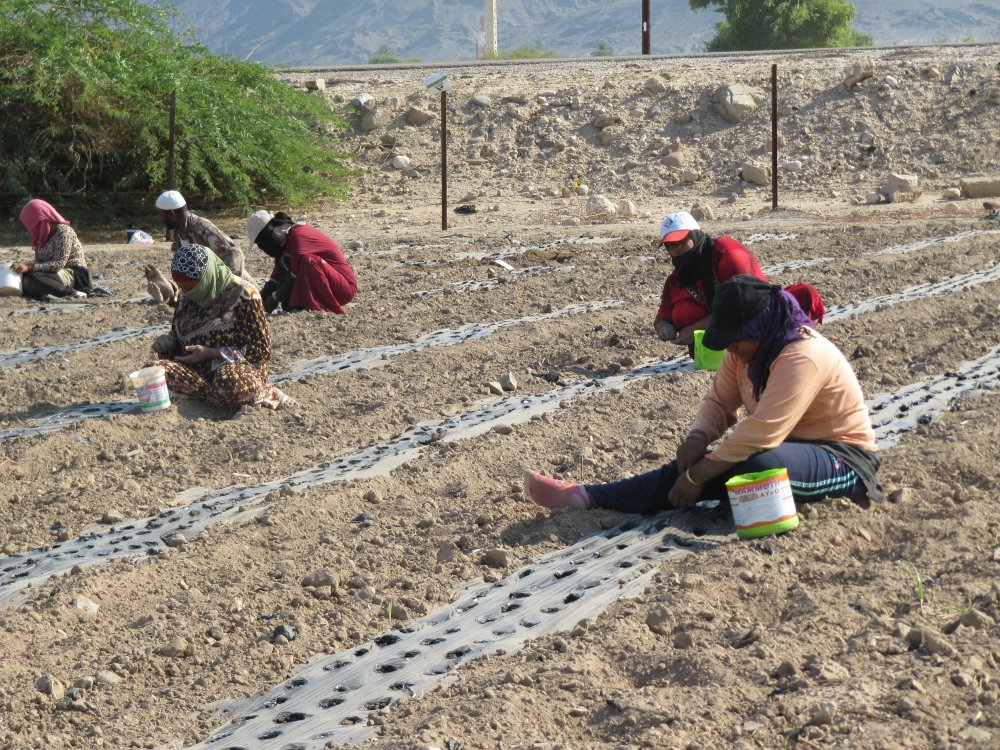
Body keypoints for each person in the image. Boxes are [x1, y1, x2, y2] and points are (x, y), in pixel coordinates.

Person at [525, 275, 882, 514]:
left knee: (757, 467)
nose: (733, 350)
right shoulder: (744, 353)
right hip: (783, 446)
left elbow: (763, 431)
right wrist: (697, 439)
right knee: (706, 464)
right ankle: (589, 496)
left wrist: (698, 478)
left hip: (843, 459)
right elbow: (720, 403)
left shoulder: (803, 356)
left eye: (737, 340)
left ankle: (727, 497)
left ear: (761, 327)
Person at [150, 244, 287, 408]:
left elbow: (261, 350)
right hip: (196, 374)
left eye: (191, 286)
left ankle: (226, 393)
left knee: (230, 385)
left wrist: (211, 353)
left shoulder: (245, 296)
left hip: (236, 370)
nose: (186, 292)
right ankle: (211, 395)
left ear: (207, 277)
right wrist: (168, 342)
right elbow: (179, 336)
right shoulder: (186, 297)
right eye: (182, 287)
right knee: (152, 373)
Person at [652, 211, 767, 352]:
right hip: (713, 350)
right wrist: (664, 326)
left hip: (754, 339)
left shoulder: (727, 254)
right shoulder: (678, 278)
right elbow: (662, 316)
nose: (678, 248)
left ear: (695, 235)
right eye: (671, 245)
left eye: (682, 241)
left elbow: (744, 306)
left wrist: (693, 330)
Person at [145, 190, 248, 305]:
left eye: (161, 215)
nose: (160, 219)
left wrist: (227, 288)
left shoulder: (202, 228)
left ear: (171, 214)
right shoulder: (178, 234)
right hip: (202, 286)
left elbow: (234, 254)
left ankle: (173, 292)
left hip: (231, 289)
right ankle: (170, 289)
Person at [246, 209, 357, 314]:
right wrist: (257, 302)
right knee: (287, 267)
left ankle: (318, 305)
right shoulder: (285, 244)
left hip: (344, 289)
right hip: (332, 283)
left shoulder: (297, 236)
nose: (263, 247)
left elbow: (292, 277)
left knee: (308, 261)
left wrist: (274, 299)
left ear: (271, 231)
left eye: (262, 242)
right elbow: (276, 278)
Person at [12, 199, 92, 300]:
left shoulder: (63, 232)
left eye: (32, 224)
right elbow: (40, 263)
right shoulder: (41, 237)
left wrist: (29, 267)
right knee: (26, 279)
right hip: (51, 273)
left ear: (40, 220)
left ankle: (71, 292)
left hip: (72, 273)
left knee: (33, 278)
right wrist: (23, 268)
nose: (31, 229)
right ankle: (53, 291)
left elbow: (58, 264)